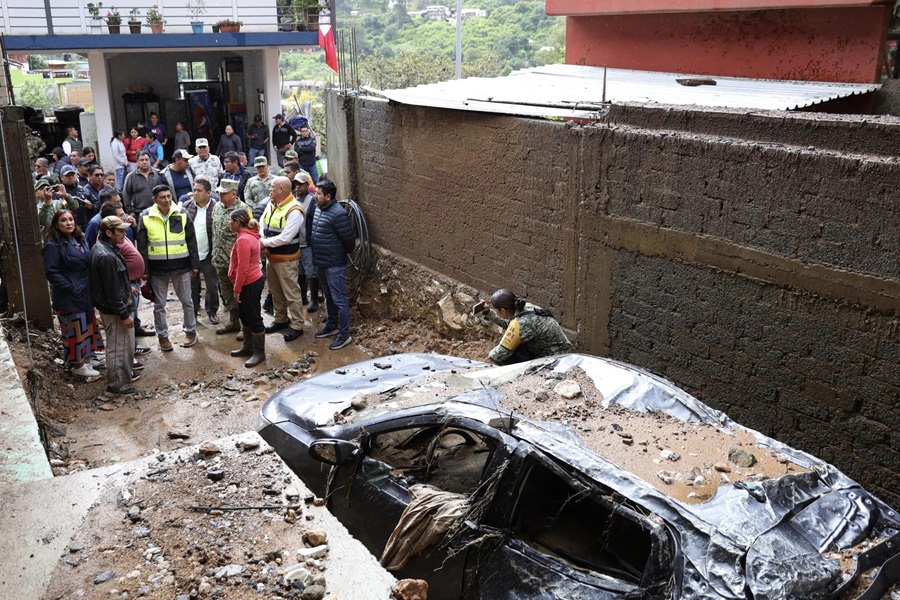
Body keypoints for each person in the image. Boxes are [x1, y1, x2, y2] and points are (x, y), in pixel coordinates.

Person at [137, 185, 200, 351]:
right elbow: (142, 246)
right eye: (162, 197)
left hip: (182, 266)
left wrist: (195, 264)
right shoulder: (145, 216)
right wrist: (144, 270)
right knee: (159, 305)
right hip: (157, 269)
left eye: (168, 196)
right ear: (154, 200)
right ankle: (163, 336)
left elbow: (191, 240)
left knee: (187, 301)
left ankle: (191, 331)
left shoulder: (182, 213)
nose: (166, 200)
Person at [42, 209, 104, 378]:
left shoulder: (79, 238)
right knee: (75, 329)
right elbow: (51, 272)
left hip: (85, 291)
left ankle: (87, 357)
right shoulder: (53, 245)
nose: (68, 223)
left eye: (70, 219)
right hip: (68, 295)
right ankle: (78, 365)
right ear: (56, 224)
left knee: (87, 325)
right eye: (63, 220)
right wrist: (71, 287)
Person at [90, 216, 138, 395]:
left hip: (114, 308)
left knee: (122, 345)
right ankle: (117, 384)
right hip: (115, 311)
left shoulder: (104, 249)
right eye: (120, 231)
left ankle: (122, 378)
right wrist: (124, 314)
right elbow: (111, 290)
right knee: (118, 347)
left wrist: (128, 289)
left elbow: (113, 282)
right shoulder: (106, 255)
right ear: (108, 233)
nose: (124, 235)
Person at [260, 176, 305, 342]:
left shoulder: (294, 210)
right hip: (271, 257)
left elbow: (286, 238)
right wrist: (262, 239)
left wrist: (263, 243)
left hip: (286, 260)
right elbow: (262, 222)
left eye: (272, 187)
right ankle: (280, 319)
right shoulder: (272, 203)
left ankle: (297, 325)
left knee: (291, 292)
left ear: (281, 190)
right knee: (275, 291)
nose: (270, 189)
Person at [311, 179, 355, 350]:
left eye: (319, 194)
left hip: (334, 264)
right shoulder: (318, 208)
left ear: (328, 197)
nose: (315, 196)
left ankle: (344, 334)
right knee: (329, 296)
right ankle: (332, 325)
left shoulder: (338, 214)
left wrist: (335, 255)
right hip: (321, 262)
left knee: (340, 299)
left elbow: (349, 241)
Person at [479, 289, 573, 365]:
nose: (495, 312)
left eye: (496, 310)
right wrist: (488, 312)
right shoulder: (524, 308)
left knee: (509, 357)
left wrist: (486, 361)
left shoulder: (522, 323)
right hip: (561, 349)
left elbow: (500, 353)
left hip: (556, 358)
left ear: (503, 311)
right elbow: (509, 324)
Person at [211, 179, 251, 336]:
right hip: (220, 260)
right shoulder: (217, 207)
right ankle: (233, 321)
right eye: (219, 192)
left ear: (234, 194)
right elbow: (215, 232)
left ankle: (245, 326)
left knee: (241, 295)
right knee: (226, 293)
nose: (220, 194)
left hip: (236, 262)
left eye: (223, 192)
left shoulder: (243, 210)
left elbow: (247, 237)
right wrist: (214, 254)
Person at [228, 208, 266, 367]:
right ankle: (248, 346)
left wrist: (237, 289)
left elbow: (243, 268)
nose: (229, 223)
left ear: (237, 222)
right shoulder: (248, 235)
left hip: (249, 283)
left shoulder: (244, 239)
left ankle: (259, 352)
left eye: (231, 220)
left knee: (254, 317)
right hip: (249, 281)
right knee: (245, 316)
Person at [182, 178, 220, 324]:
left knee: (212, 285)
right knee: (192, 285)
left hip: (209, 254)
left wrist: (215, 253)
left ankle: (212, 311)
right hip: (192, 255)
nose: (195, 193)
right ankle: (194, 312)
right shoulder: (187, 207)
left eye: (199, 190)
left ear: (208, 193)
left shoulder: (216, 208)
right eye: (194, 190)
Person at [293, 172, 319, 312]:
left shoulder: (312, 201)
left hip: (307, 243)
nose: (298, 187)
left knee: (312, 272)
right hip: (295, 242)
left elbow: (314, 223)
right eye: (296, 184)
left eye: (301, 184)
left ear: (307, 185)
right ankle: (303, 297)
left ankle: (314, 300)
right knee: (300, 272)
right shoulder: (291, 199)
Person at [123, 151, 163, 217]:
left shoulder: (158, 174)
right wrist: (130, 211)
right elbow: (126, 194)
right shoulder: (131, 176)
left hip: (158, 211)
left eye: (147, 160)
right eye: (141, 160)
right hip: (139, 212)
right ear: (137, 162)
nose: (144, 162)